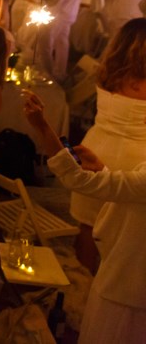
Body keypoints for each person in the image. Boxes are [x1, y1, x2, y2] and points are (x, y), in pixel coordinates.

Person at [23, 90, 146, 344]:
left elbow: (77, 179)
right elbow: (134, 195)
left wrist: (43, 127)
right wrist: (104, 171)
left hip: (126, 288)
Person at [65, 19, 146, 273]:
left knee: (88, 227)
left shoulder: (109, 72)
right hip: (134, 159)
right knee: (124, 234)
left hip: (96, 148)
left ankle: (84, 289)